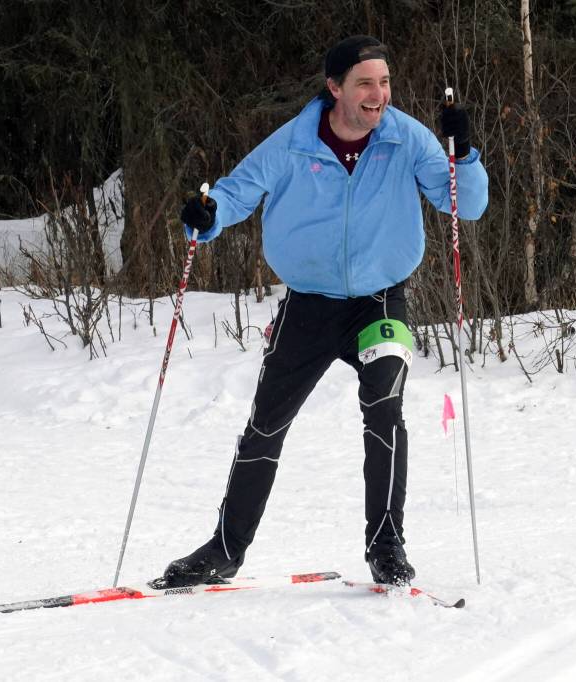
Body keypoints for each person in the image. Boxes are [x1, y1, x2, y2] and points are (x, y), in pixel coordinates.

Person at [158, 35, 488, 587]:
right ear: (335, 88)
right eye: (365, 83)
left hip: (379, 300)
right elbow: (235, 195)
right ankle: (224, 550)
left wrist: (464, 153)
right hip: (308, 305)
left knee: (384, 403)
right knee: (266, 424)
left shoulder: (408, 140)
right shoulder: (292, 143)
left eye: (384, 82)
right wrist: (205, 217)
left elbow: (466, 204)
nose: (378, 94)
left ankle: (387, 547)